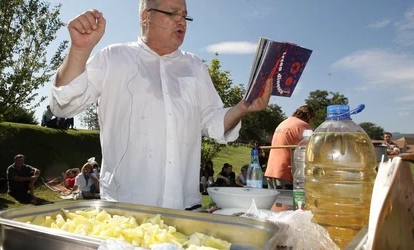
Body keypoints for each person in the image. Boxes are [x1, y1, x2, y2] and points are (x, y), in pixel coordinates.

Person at [48, 0, 272, 210]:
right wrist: (79, 50)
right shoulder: (114, 57)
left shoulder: (195, 66)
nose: (181, 21)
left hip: (184, 207)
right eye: (172, 13)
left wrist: (243, 107)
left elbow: (211, 121)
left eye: (184, 15)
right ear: (146, 17)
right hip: (126, 208)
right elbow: (63, 105)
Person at [265, 105, 314, 190]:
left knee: (273, 202)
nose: (311, 123)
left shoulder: (284, 122)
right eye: (312, 120)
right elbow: (311, 149)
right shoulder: (304, 126)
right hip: (287, 172)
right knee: (288, 202)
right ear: (309, 117)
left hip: (271, 169)